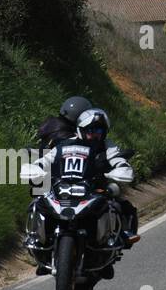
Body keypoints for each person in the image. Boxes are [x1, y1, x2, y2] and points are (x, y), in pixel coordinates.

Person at [29, 108, 139, 252]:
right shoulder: (65, 144)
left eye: (99, 132)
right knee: (37, 202)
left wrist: (122, 167)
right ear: (80, 130)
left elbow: (117, 158)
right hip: (63, 187)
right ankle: (36, 237)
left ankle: (119, 236)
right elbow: (47, 159)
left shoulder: (107, 145)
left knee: (119, 205)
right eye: (91, 130)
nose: (94, 135)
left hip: (95, 189)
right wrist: (36, 168)